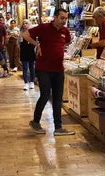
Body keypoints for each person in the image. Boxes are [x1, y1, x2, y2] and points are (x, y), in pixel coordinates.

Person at [23, 8, 75, 136]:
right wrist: (37, 45)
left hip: (58, 69)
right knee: (45, 95)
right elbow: (25, 35)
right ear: (55, 17)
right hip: (44, 69)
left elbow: (67, 41)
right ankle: (35, 122)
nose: (64, 21)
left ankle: (58, 127)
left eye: (66, 19)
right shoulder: (43, 28)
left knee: (58, 98)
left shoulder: (65, 31)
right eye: (62, 18)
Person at [20, 22, 37, 90]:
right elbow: (19, 43)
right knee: (24, 68)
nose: (25, 25)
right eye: (23, 23)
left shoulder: (32, 33)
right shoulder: (21, 33)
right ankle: (26, 83)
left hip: (30, 51)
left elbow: (34, 43)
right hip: (23, 51)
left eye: (26, 23)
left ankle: (32, 82)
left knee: (31, 67)